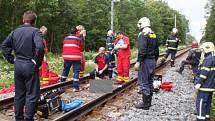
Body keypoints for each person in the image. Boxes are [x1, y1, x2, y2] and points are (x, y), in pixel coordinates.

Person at [1, 11, 44, 121]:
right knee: (32, 94)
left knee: (19, 94)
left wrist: (12, 60)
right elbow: (39, 48)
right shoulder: (36, 32)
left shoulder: (15, 31)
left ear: (23, 20)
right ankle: (29, 118)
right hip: (30, 65)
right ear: (34, 21)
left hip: (18, 65)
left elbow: (4, 46)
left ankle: (18, 118)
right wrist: (37, 62)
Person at [134, 17, 159, 110]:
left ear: (142, 24)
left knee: (144, 82)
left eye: (139, 24)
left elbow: (142, 49)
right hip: (152, 60)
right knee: (150, 82)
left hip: (145, 61)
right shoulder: (153, 34)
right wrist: (155, 60)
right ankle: (149, 102)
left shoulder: (143, 34)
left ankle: (145, 104)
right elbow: (157, 49)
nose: (138, 26)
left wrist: (138, 61)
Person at [195, 42, 215, 121]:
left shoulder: (208, 59)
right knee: (208, 103)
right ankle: (206, 117)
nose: (202, 52)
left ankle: (200, 118)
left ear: (207, 49)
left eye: (203, 50)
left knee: (201, 103)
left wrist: (199, 83)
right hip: (211, 86)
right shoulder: (213, 57)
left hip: (204, 86)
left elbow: (204, 73)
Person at [60, 27, 84, 92]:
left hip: (67, 57)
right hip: (76, 57)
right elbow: (82, 49)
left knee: (65, 70)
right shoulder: (78, 39)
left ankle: (61, 85)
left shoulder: (65, 38)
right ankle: (75, 87)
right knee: (76, 71)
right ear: (76, 33)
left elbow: (64, 47)